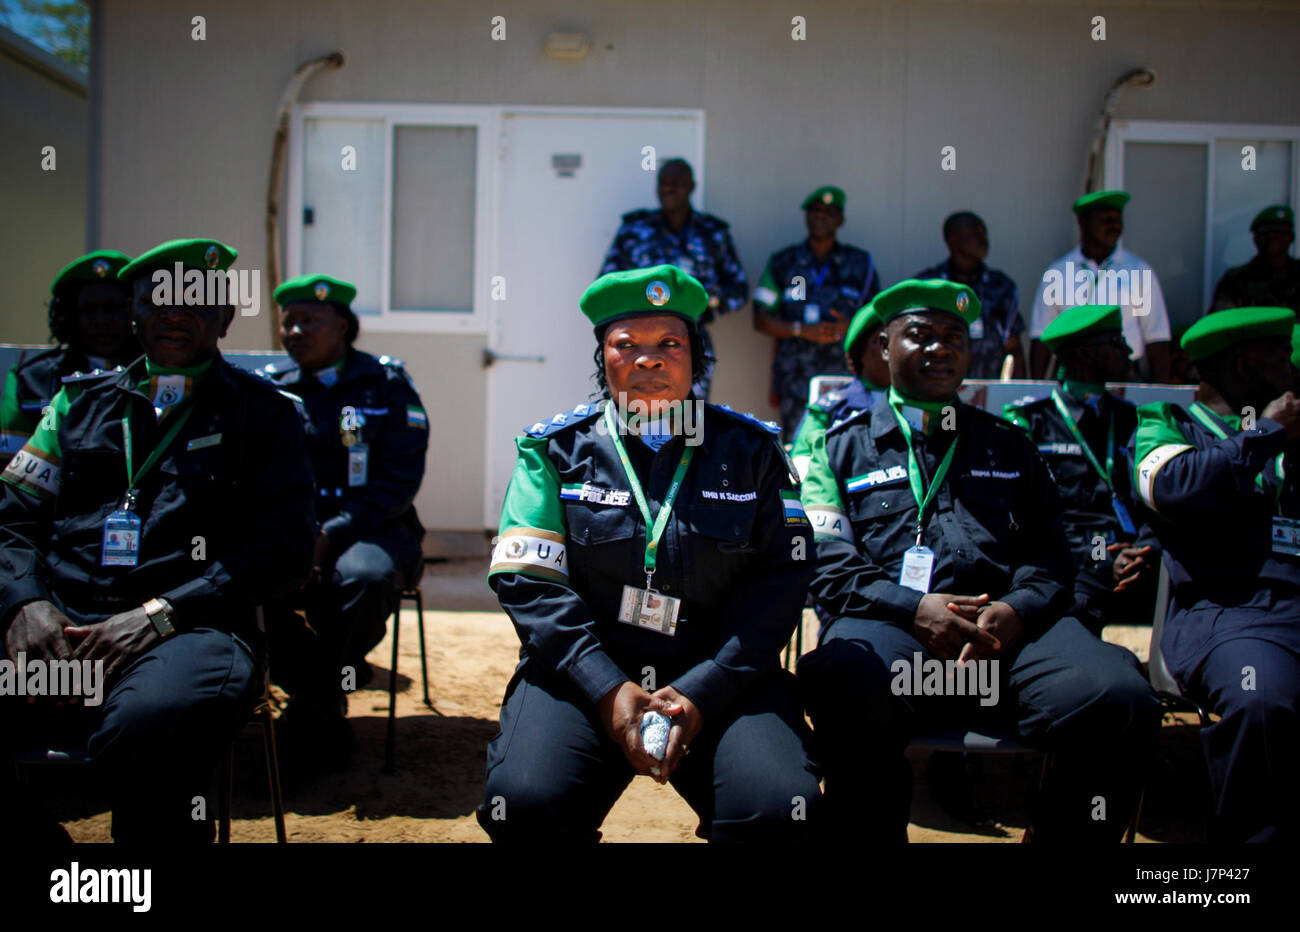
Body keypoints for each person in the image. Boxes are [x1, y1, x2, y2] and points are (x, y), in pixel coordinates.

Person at [797, 278, 1161, 842]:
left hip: (1008, 640)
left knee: (1117, 695)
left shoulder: (1011, 444)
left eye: (953, 337)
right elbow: (829, 563)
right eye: (919, 335)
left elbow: (1050, 555)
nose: (939, 348)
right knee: (845, 678)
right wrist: (916, 609)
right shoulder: (835, 447)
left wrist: (1018, 608)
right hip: (893, 630)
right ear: (884, 347)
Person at [478, 264, 821, 843]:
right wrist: (609, 690)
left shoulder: (753, 451)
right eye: (626, 344)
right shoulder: (554, 452)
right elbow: (531, 585)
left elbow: (781, 583)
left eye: (669, 343)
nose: (648, 359)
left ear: (694, 357)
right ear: (603, 358)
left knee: (778, 807)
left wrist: (703, 691)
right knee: (527, 803)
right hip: (584, 671)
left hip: (723, 673)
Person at [0, 238, 315, 843]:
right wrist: (25, 602)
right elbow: (11, 518)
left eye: (197, 301)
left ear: (224, 318)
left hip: (187, 635)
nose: (176, 312)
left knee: (149, 728)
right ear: (134, 312)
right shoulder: (74, 405)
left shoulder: (267, 415)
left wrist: (159, 616)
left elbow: (283, 551)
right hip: (64, 637)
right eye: (158, 298)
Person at [1131, 306, 1300, 841]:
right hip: (1228, 614)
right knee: (1262, 699)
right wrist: (1266, 433)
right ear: (1248, 365)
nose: (1292, 367)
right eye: (1280, 356)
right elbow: (1172, 485)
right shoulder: (1168, 422)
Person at [259, 273, 430, 771]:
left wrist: (332, 533)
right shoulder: (271, 390)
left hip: (375, 526)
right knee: (249, 580)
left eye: (309, 320)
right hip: (293, 528)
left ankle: (313, 703)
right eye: (288, 323)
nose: (295, 332)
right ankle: (323, 690)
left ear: (343, 325)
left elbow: (399, 481)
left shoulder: (387, 383)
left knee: (365, 578)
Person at [1003, 305, 1158, 634]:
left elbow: (1156, 500)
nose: (1128, 351)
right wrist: (1101, 558)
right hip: (1075, 561)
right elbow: (1030, 516)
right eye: (1117, 342)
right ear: (1085, 354)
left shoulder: (1134, 419)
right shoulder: (1032, 422)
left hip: (1138, 558)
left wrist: (1145, 550)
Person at [600, 158, 748, 399]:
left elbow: (738, 288)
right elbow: (607, 284)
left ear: (691, 186)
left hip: (689, 340)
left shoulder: (712, 233)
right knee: (634, 413)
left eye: (676, 183)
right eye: (663, 183)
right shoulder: (635, 230)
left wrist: (709, 305)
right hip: (636, 344)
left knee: (689, 419)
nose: (668, 189)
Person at [753, 186, 882, 441]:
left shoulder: (860, 263)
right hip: (796, 379)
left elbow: (878, 318)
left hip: (847, 377)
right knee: (796, 447)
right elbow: (760, 318)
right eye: (815, 211)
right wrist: (800, 330)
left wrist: (853, 325)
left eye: (829, 212)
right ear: (806, 217)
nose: (821, 216)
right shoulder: (783, 262)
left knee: (848, 442)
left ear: (841, 220)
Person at [1, 250, 138, 466]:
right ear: (69, 316)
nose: (101, 320)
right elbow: (9, 464)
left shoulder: (158, 371)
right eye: (89, 311)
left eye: (113, 309)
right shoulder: (30, 378)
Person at [1029, 190, 1172, 383]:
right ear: (1083, 223)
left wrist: (1159, 393)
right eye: (1105, 220)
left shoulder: (1139, 271)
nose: (1113, 226)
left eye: (1117, 220)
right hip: (1072, 378)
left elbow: (1157, 337)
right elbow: (1041, 337)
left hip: (1123, 376)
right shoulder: (1058, 273)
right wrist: (1037, 388)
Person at [914, 211, 1026, 379]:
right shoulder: (928, 285)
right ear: (952, 240)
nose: (984, 239)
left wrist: (1018, 396)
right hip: (937, 389)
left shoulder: (1001, 285)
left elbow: (1013, 348)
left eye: (984, 233)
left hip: (990, 392)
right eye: (975, 233)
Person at [790, 299, 890, 482]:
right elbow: (801, 465)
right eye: (880, 340)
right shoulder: (829, 408)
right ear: (859, 352)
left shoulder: (927, 404)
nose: (891, 349)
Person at [1209, 205, 1300, 315]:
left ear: (1291, 237)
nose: (1273, 236)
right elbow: (1221, 320)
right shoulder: (1236, 280)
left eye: (1280, 231)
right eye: (1265, 232)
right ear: (1255, 239)